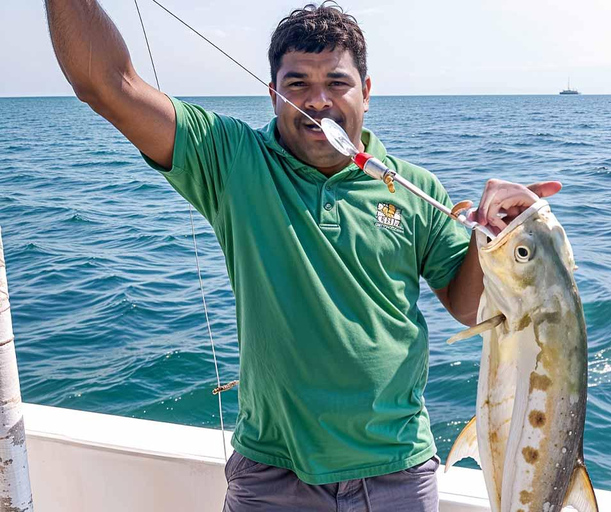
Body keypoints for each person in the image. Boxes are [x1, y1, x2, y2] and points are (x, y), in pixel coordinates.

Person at [45, 1, 561, 510]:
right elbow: (107, 84)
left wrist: (501, 235)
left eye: (337, 83)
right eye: (298, 85)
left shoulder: (413, 186)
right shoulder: (231, 160)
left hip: (398, 471)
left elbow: (470, 308)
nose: (318, 101)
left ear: (367, 92)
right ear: (273, 95)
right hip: (272, 475)